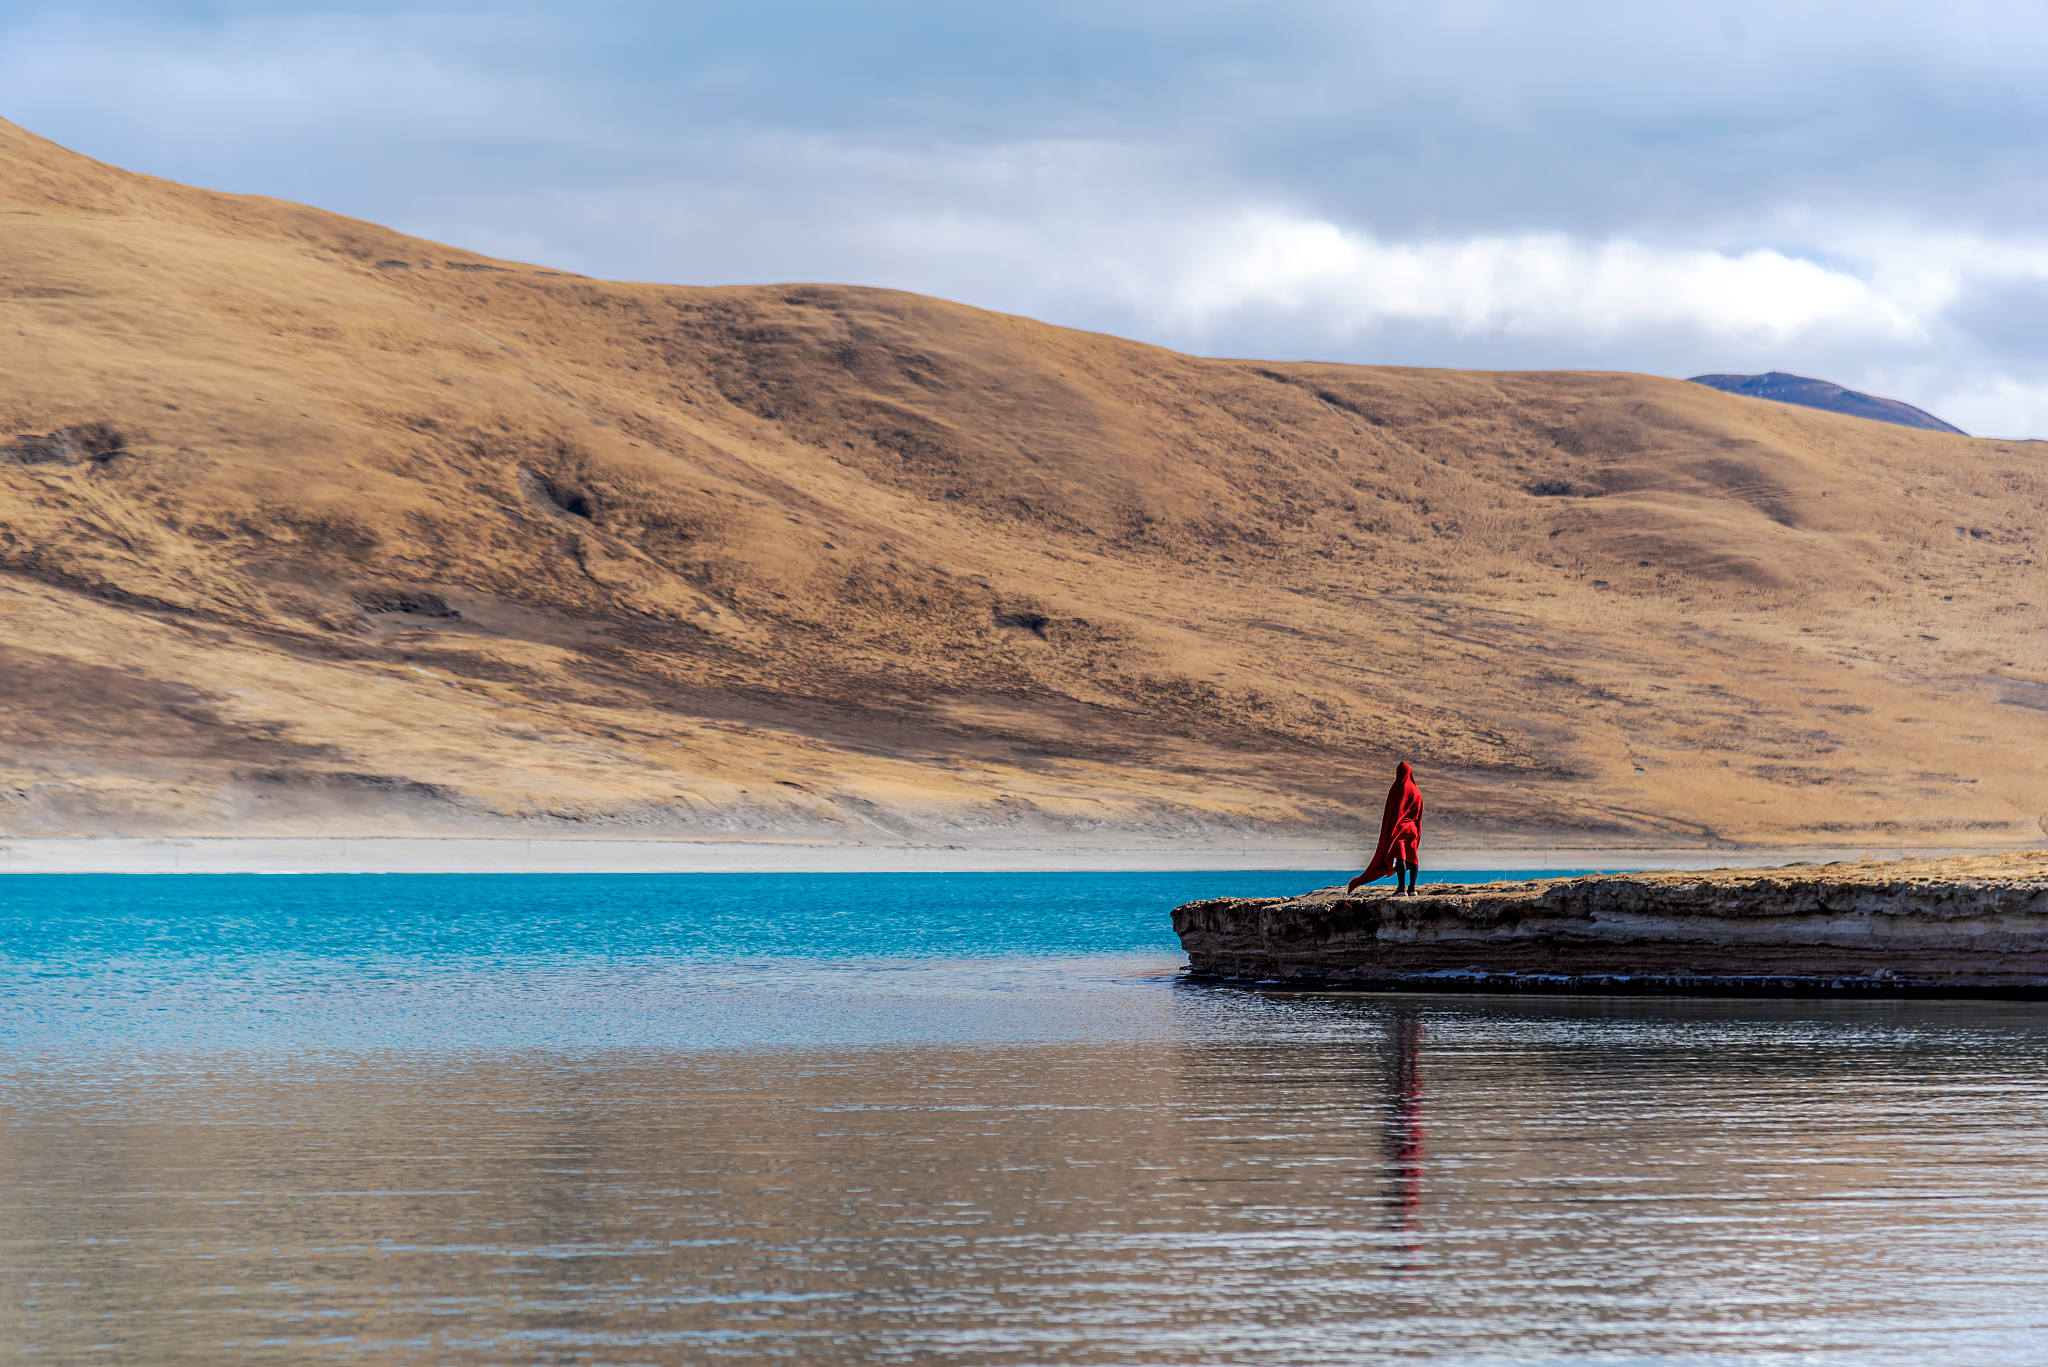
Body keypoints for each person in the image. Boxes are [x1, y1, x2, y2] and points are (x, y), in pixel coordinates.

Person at [1349, 761, 1423, 896]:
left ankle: (1401, 889)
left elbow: (1393, 811)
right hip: (1412, 828)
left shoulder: (1398, 788)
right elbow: (1419, 814)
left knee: (1401, 856)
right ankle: (1412, 889)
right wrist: (1417, 830)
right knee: (1412, 857)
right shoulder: (1417, 791)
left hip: (1399, 827)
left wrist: (1388, 830)